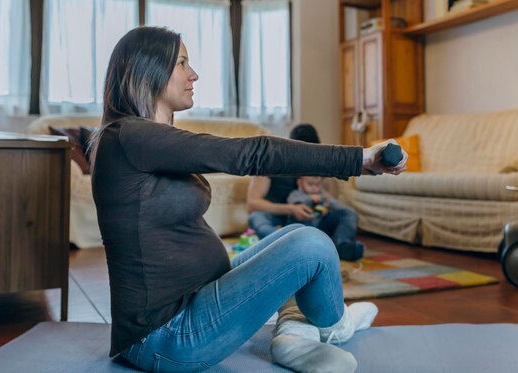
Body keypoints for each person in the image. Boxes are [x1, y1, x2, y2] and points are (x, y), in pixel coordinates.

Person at [89, 26, 408, 373]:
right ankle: (335, 326)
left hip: (198, 299)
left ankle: (294, 337)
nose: (193, 74)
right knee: (311, 245)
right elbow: (252, 153)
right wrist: (358, 159)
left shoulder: (144, 139)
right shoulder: (129, 136)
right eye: (182, 63)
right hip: (168, 337)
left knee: (286, 240)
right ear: (147, 69)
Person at [247, 124, 366, 261]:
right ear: (290, 148)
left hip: (310, 218)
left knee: (348, 213)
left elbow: (323, 194)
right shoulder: (269, 162)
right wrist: (290, 209)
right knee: (256, 218)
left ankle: (340, 246)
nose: (308, 157)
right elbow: (252, 203)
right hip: (277, 220)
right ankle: (288, 246)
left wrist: (326, 206)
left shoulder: (314, 163)